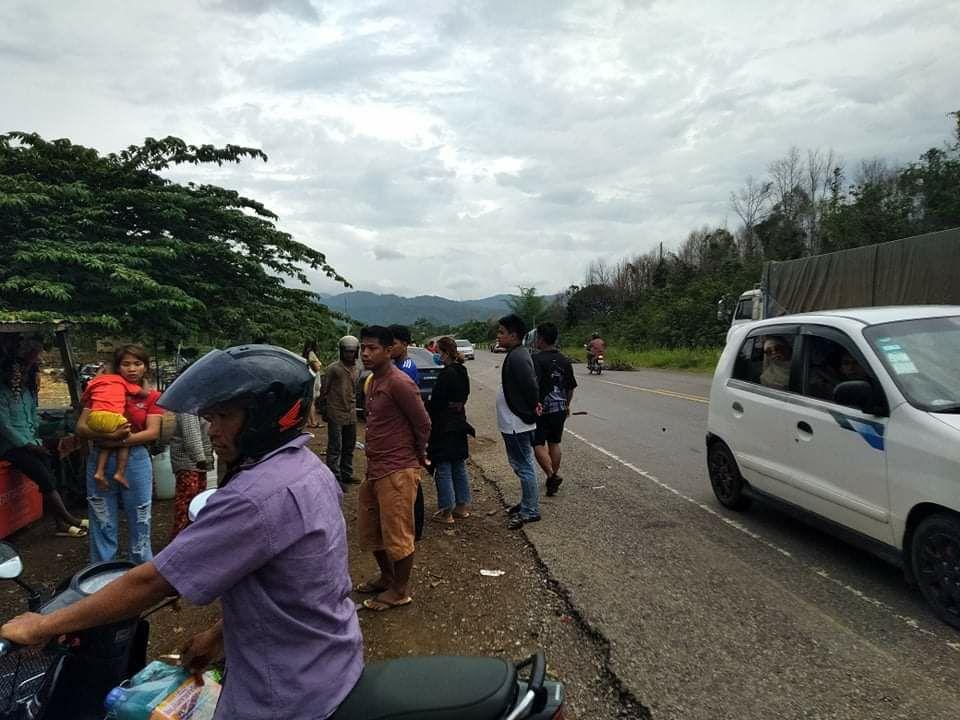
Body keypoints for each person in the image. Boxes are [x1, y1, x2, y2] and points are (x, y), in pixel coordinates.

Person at [1, 344, 364, 720]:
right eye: (210, 416)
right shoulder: (308, 468)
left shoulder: (253, 497)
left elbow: (153, 582)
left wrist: (44, 625)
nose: (212, 429)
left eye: (224, 416)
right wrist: (219, 635)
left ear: (267, 418)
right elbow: (293, 587)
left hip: (285, 693)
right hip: (329, 660)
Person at [355, 326, 431, 612]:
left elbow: (423, 423)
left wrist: (418, 455)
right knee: (371, 528)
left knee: (398, 535)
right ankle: (387, 577)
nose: (365, 353)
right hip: (375, 467)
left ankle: (400, 591)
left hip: (397, 469)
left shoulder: (400, 382)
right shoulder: (373, 381)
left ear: (389, 351)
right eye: (363, 347)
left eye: (372, 348)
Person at [76, 344, 163, 564]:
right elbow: (81, 427)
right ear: (117, 367)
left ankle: (141, 570)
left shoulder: (152, 397)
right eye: (126, 364)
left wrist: (117, 440)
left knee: (140, 519)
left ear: (146, 367)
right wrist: (109, 436)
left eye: (137, 363)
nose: (132, 369)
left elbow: (152, 432)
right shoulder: (103, 389)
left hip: (136, 461)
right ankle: (103, 571)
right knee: (102, 518)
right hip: (100, 460)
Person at [0, 340, 88, 538]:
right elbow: (5, 426)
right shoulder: (2, 395)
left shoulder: (26, 394)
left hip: (32, 443)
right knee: (44, 477)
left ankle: (61, 523)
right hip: (12, 447)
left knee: (50, 473)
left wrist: (57, 427)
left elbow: (34, 420)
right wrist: (28, 444)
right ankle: (69, 519)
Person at [497, 314, 542, 530]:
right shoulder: (516, 354)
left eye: (502, 332)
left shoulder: (517, 356)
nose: (498, 336)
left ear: (514, 335)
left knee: (524, 466)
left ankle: (530, 510)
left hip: (516, 423)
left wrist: (532, 407)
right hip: (514, 421)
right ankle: (527, 503)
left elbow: (530, 385)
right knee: (522, 465)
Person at [426, 336, 475, 524]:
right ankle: (462, 507)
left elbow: (437, 402)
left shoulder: (446, 374)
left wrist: (427, 407)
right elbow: (465, 396)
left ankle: (446, 511)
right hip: (459, 422)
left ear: (445, 353)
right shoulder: (462, 370)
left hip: (444, 425)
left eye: (438, 352)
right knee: (459, 464)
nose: (436, 355)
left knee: (443, 466)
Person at [81, 366, 150, 489]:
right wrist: (145, 381)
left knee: (106, 443)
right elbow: (145, 393)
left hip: (94, 417)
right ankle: (119, 473)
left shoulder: (95, 382)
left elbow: (84, 397)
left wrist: (97, 378)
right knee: (125, 440)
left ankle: (99, 471)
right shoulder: (120, 380)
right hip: (112, 417)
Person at [387, 323, 425, 539]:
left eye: (393, 343)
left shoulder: (406, 368)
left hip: (406, 431)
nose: (390, 347)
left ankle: (415, 527)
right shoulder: (399, 364)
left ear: (404, 344)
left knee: (411, 479)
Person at [533, 323, 577, 497]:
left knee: (537, 443)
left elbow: (533, 385)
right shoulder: (564, 360)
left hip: (542, 409)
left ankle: (552, 475)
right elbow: (570, 387)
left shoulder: (536, 359)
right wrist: (566, 405)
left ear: (541, 339)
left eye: (537, 337)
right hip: (560, 408)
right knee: (554, 442)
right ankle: (552, 479)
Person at [319, 335, 360, 487]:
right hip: (335, 411)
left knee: (349, 445)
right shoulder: (333, 369)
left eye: (352, 352)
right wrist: (323, 409)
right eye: (347, 351)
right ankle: (334, 477)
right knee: (335, 446)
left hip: (351, 412)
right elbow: (324, 390)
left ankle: (346, 473)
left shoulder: (357, 369)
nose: (349, 354)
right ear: (341, 352)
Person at [167, 410, 213, 541]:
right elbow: (191, 436)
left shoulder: (199, 407)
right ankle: (179, 539)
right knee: (187, 503)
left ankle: (193, 538)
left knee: (197, 501)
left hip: (199, 462)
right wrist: (201, 459)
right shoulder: (188, 409)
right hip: (189, 462)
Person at [303, 341, 324, 428]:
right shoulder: (311, 353)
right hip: (314, 377)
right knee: (312, 401)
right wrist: (318, 366)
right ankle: (313, 422)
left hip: (310, 376)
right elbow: (316, 367)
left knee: (309, 401)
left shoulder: (306, 354)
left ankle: (308, 421)